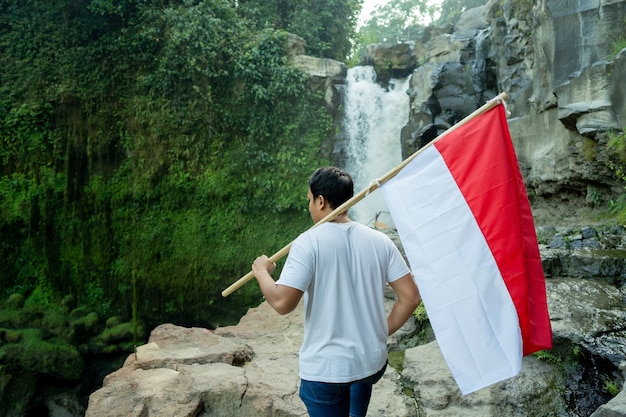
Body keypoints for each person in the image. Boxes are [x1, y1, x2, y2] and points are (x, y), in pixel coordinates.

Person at [252, 166, 421, 417]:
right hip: (369, 362)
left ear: (321, 201)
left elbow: (281, 302)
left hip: (327, 372)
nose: (309, 206)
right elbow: (411, 297)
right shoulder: (380, 241)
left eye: (310, 200)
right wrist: (379, 330)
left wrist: (261, 272)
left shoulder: (308, 242)